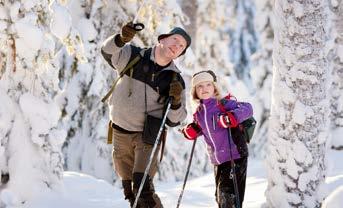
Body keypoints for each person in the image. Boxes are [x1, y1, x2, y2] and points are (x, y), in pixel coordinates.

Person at [101, 22, 191, 208]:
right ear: (163, 39)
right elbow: (107, 52)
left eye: (181, 46)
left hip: (148, 136)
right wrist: (121, 39)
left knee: (143, 190)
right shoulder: (132, 55)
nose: (177, 46)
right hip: (120, 131)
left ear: (180, 54)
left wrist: (175, 102)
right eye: (175, 39)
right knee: (130, 192)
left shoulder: (175, 80)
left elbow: (176, 120)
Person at [182, 70, 253, 208]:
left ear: (214, 87)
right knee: (220, 197)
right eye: (199, 86)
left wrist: (232, 116)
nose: (204, 89)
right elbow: (199, 129)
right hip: (218, 161)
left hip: (235, 155)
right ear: (195, 91)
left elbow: (248, 108)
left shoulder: (223, 104)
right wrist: (190, 131)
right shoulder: (199, 113)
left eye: (208, 84)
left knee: (228, 196)